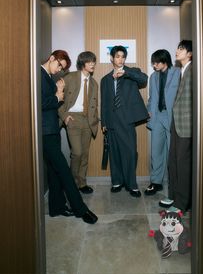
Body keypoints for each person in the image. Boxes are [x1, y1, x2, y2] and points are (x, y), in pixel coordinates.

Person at [41, 50, 98, 224]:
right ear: (52, 59)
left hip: (53, 129)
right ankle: (80, 208)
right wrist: (60, 102)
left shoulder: (48, 77)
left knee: (54, 172)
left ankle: (56, 208)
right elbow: (42, 102)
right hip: (48, 129)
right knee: (66, 168)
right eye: (59, 65)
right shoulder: (40, 76)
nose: (59, 70)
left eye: (62, 67)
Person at [101, 45, 149, 198]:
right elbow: (105, 103)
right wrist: (104, 123)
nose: (120, 59)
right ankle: (117, 182)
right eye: (117, 56)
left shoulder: (132, 72)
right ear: (111, 58)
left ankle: (132, 184)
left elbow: (144, 79)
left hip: (127, 120)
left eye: (123, 56)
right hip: (112, 121)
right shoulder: (105, 79)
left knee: (129, 153)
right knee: (114, 153)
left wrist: (126, 72)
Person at [58, 51, 99, 194]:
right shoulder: (70, 77)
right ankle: (72, 184)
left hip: (88, 120)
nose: (93, 64)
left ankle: (82, 183)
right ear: (82, 64)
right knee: (77, 152)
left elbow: (95, 106)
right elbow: (57, 95)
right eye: (89, 62)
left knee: (85, 154)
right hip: (73, 119)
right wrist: (64, 116)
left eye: (94, 61)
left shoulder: (94, 84)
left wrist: (96, 121)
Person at [159, 40, 192, 212]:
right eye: (177, 47)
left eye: (181, 49)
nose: (177, 51)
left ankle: (182, 203)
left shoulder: (193, 70)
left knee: (183, 164)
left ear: (190, 53)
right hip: (176, 123)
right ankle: (173, 195)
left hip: (186, 125)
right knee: (173, 162)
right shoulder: (180, 71)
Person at [144, 49, 180, 195]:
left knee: (173, 152)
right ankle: (156, 182)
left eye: (156, 62)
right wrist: (149, 109)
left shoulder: (178, 72)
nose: (154, 65)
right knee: (156, 151)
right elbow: (152, 97)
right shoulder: (153, 76)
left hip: (172, 116)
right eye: (153, 62)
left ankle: (175, 184)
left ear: (164, 61)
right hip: (157, 116)